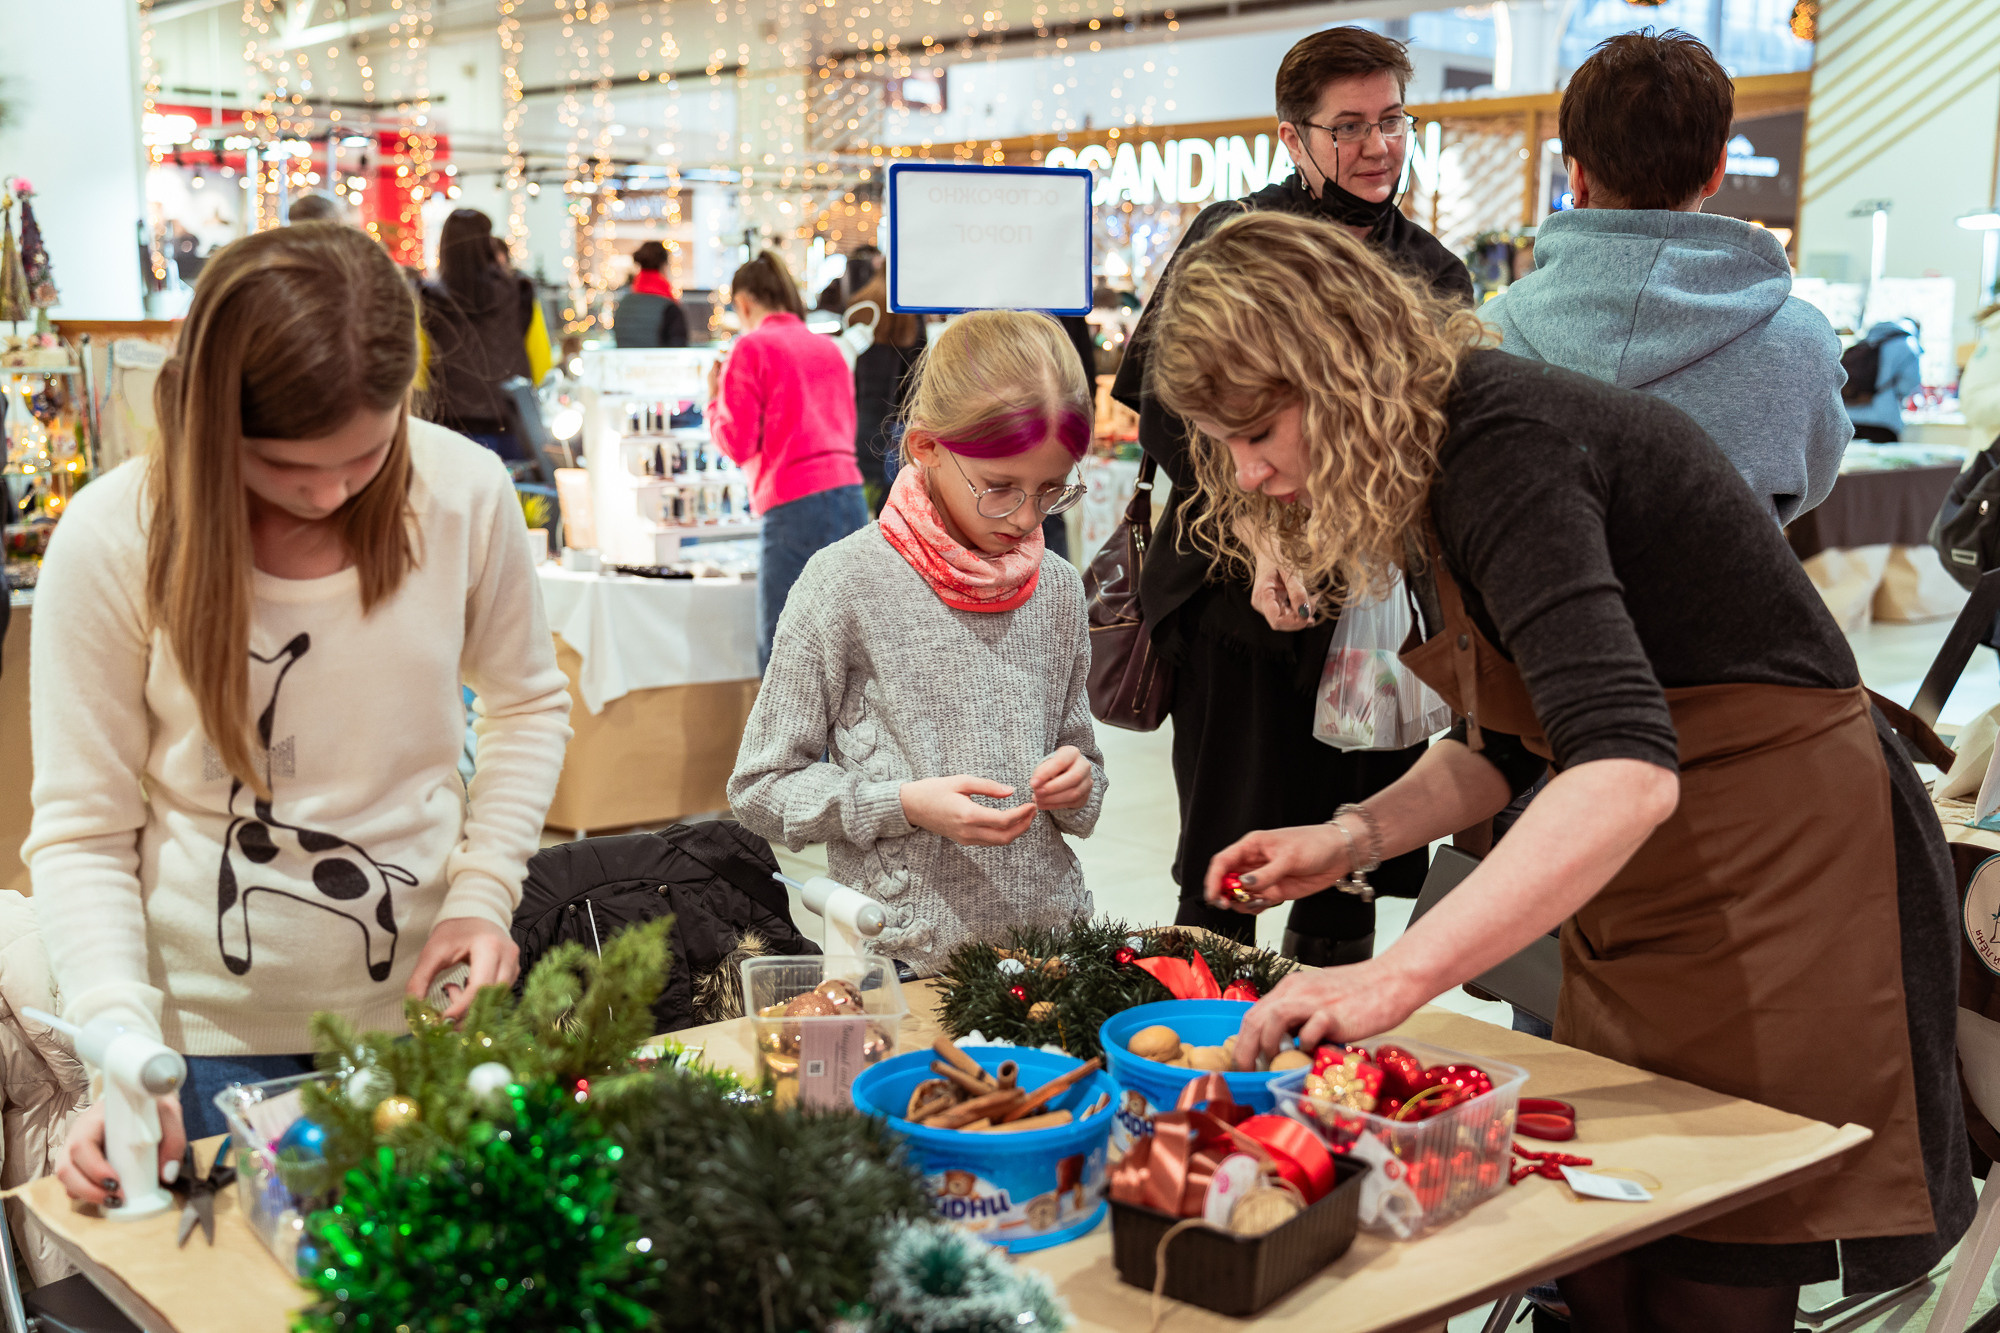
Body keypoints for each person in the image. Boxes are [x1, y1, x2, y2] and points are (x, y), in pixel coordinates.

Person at [1150, 210, 1970, 1328]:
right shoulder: (1429, 465)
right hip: (1647, 871)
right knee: (1598, 1237)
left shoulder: (1501, 446)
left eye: (1260, 428)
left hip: (1779, 866)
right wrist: (1347, 839)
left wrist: (1391, 979)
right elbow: (1504, 742)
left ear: (1339, 367)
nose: (1250, 470)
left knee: (1708, 1249)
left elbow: (1622, 765)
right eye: (1220, 442)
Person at [28, 223, 572, 1201]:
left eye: (365, 457)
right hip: (197, 1057)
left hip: (425, 1023)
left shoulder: (461, 493)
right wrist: (121, 1035)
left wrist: (482, 892)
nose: (328, 493)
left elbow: (528, 702)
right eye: (286, 468)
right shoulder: (113, 539)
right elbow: (83, 829)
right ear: (209, 422)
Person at [1109, 25, 1472, 967]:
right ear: (1292, 136)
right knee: (1227, 851)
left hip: (1367, 614)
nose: (1377, 146)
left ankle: (1324, 1050)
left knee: (1351, 847)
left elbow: (1429, 445)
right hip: (1233, 598)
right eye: (1347, 126)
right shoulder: (1231, 241)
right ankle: (1203, 1054)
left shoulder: (1432, 273)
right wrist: (1265, 535)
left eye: (1393, 120)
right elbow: (1165, 410)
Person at [728, 310, 1102, 976]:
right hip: (904, 963)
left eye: (1050, 490)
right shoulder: (844, 582)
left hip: (1051, 954)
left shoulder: (1059, 589)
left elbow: (1085, 767)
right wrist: (902, 804)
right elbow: (760, 786)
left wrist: (1077, 781)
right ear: (927, 446)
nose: (1024, 518)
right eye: (999, 489)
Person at [1482, 29, 1849, 526]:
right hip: (1730, 599)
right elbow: (1812, 481)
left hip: (1524, 601)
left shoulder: (1486, 336)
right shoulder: (1803, 343)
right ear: (1718, 169)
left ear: (1577, 175)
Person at [706, 251, 868, 670]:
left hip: (793, 503)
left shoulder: (751, 347)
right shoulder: (829, 348)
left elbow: (737, 443)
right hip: (849, 498)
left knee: (787, 655)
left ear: (743, 303)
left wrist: (712, 399)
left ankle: (789, 739)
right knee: (846, 651)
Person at [416, 208, 540, 458]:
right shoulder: (520, 292)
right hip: (512, 418)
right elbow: (540, 357)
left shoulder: (427, 298)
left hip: (450, 425)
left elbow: (418, 366)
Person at [843, 269, 925, 514]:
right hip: (897, 426)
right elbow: (915, 377)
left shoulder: (862, 304)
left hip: (858, 421)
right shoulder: (910, 311)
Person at [1846, 318, 1925, 443]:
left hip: (1850, 419)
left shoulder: (1868, 340)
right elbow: (1908, 384)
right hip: (1883, 422)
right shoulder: (1908, 345)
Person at [613, 240, 691, 349]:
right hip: (659, 365)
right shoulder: (669, 307)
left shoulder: (623, 303)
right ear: (664, 265)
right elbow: (678, 350)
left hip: (625, 365)